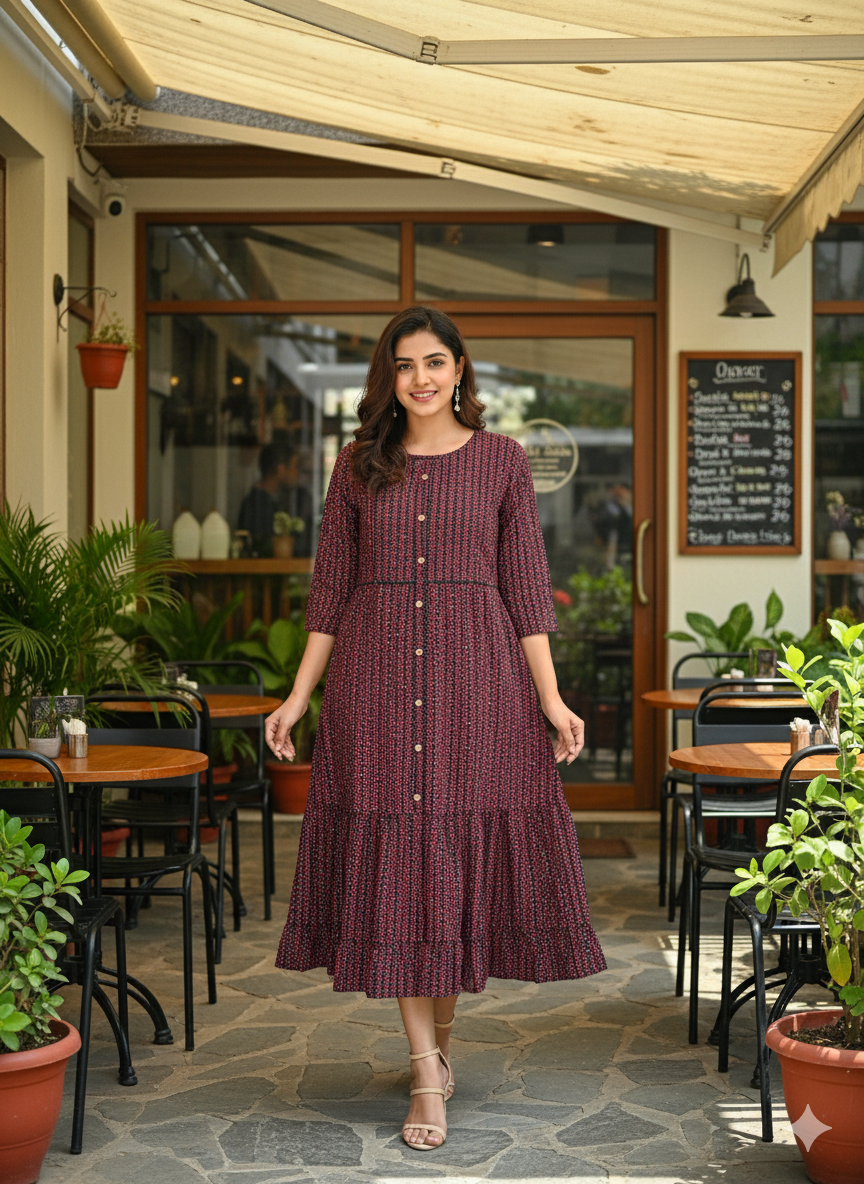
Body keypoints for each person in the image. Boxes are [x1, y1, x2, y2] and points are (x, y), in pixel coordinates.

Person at [265, 306, 605, 1152]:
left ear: (461, 371)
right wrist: (299, 697)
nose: (421, 377)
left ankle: (438, 1048)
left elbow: (527, 588)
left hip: (479, 686)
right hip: (377, 689)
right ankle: (426, 1074)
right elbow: (330, 593)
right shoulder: (356, 467)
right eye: (405, 364)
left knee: (447, 867)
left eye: (435, 362)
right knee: (406, 865)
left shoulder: (503, 462)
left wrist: (552, 701)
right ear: (390, 377)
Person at [237, 442, 310, 557]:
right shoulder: (257, 506)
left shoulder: (270, 502)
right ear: (280, 469)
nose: (297, 473)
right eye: (294, 467)